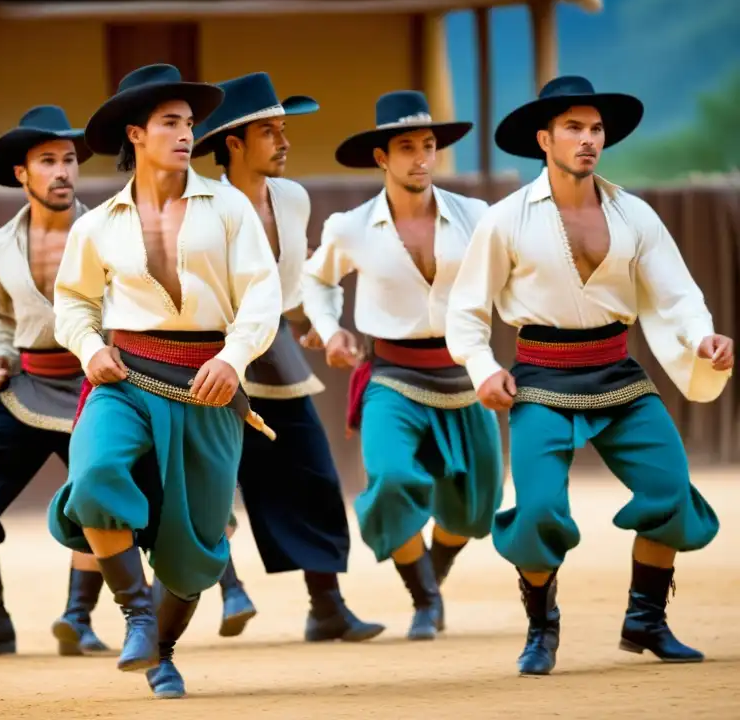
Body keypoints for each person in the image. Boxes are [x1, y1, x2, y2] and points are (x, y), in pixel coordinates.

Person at [445, 75, 733, 675]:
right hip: (541, 382)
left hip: (619, 376)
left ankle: (646, 619)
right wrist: (482, 367)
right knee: (541, 510)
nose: (588, 139)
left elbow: (678, 295)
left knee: (671, 493)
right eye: (573, 128)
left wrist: (701, 336)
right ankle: (541, 628)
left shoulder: (636, 214)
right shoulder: (505, 220)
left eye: (596, 128)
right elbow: (466, 311)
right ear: (544, 139)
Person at [47, 63, 282, 698]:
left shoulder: (228, 206)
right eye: (170, 123)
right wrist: (88, 346)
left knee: (196, 542)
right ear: (137, 133)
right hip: (125, 378)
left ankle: (164, 652)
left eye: (189, 123)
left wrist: (233, 358)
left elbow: (263, 295)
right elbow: (71, 302)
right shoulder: (96, 224)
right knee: (92, 477)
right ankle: (137, 616)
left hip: (210, 385)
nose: (185, 134)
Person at [302, 91, 504, 641]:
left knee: (475, 505)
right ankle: (425, 599)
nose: (420, 157)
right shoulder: (351, 226)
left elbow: (513, 279)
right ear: (381, 158)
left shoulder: (479, 218)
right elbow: (316, 279)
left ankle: (431, 578)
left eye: (429, 146)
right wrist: (331, 328)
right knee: (391, 480)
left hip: (466, 375)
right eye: (407, 147)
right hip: (392, 377)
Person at [190, 71, 383, 643]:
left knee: (313, 474)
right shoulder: (203, 204)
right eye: (270, 132)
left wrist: (317, 327)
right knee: (207, 478)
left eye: (283, 129)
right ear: (234, 143)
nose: (284, 141)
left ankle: (327, 605)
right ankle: (229, 588)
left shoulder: (292, 198)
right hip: (209, 353)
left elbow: (289, 285)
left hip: (274, 353)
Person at [0, 106, 110, 658]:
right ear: (21, 174)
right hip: (27, 387)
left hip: (96, 388)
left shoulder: (107, 230)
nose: (62, 172)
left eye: (70, 160)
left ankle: (78, 619)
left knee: (104, 494)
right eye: (47, 161)